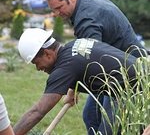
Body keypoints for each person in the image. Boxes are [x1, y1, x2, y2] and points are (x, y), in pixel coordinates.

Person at [41, 0, 147, 134]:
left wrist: (72, 92)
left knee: (110, 127)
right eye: (53, 10)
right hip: (112, 67)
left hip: (128, 78)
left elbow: (88, 63)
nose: (57, 13)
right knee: (91, 116)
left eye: (59, 7)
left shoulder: (87, 19)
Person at [13, 28, 141, 135]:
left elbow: (37, 112)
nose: (38, 68)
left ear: (47, 54)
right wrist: (72, 91)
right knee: (91, 116)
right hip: (134, 86)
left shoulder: (64, 69)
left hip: (140, 94)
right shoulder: (74, 45)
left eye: (36, 63)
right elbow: (83, 65)